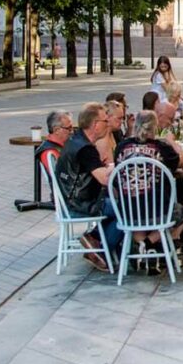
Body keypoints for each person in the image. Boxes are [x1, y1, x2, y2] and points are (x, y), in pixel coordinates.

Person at [114, 109, 183, 270]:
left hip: (127, 211)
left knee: (138, 208)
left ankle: (144, 248)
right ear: (154, 127)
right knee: (180, 211)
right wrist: (172, 142)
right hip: (158, 210)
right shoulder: (161, 147)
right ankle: (149, 245)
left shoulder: (121, 147)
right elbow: (180, 163)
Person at [55, 103, 117, 271]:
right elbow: (104, 179)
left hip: (73, 198)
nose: (108, 123)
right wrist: (114, 167)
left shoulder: (76, 140)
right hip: (80, 203)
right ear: (95, 124)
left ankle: (95, 240)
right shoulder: (85, 149)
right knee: (127, 209)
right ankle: (99, 247)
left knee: (122, 206)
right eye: (106, 120)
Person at [38, 111, 75, 177]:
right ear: (56, 130)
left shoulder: (60, 146)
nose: (72, 131)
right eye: (69, 128)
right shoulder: (50, 153)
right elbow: (62, 178)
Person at [95, 99, 126, 166]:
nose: (122, 121)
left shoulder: (114, 133)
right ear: (108, 117)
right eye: (119, 118)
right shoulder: (101, 140)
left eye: (122, 118)